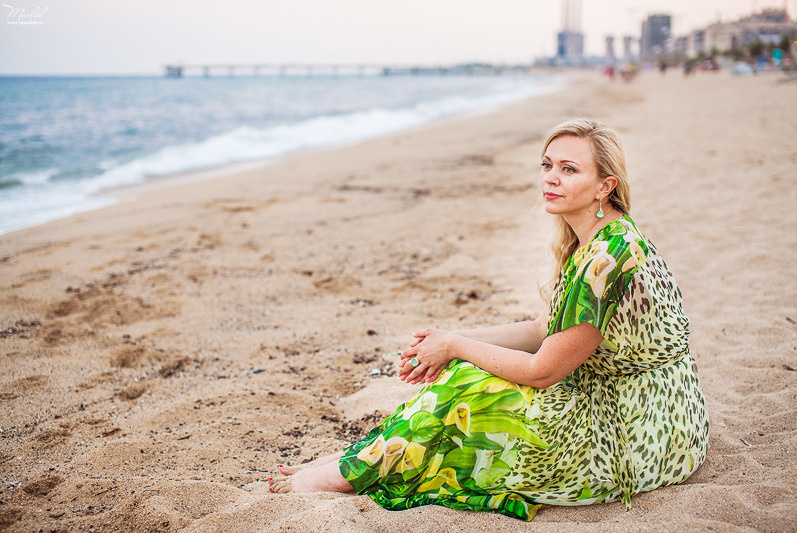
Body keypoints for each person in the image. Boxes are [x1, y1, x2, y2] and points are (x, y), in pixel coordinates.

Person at [267, 118, 710, 521]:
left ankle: (351, 471)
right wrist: (449, 338)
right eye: (547, 165)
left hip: (640, 429)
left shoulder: (610, 256)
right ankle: (358, 462)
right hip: (620, 401)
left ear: (604, 186)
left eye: (569, 170)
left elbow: (543, 371)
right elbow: (542, 330)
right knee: (464, 375)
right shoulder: (588, 241)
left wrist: (456, 347)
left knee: (468, 386)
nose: (551, 178)